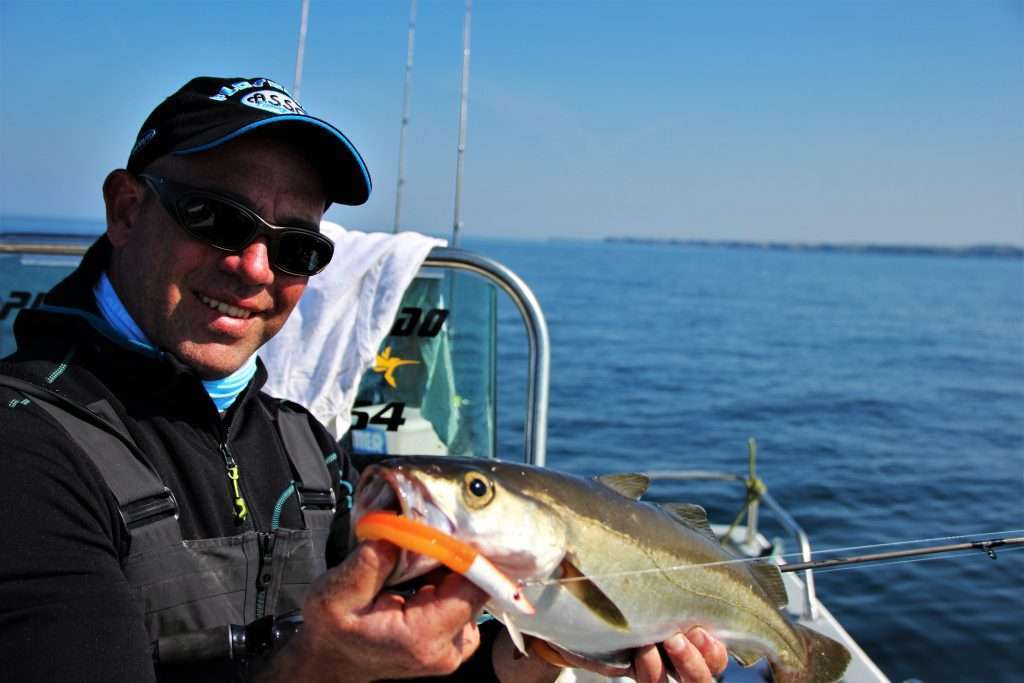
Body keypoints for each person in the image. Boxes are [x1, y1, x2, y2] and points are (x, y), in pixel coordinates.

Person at [0, 76, 728, 683]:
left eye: (296, 247)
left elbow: (402, 661)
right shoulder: (25, 450)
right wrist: (316, 665)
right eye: (215, 216)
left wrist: (521, 659)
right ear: (127, 210)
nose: (255, 268)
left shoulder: (305, 446)